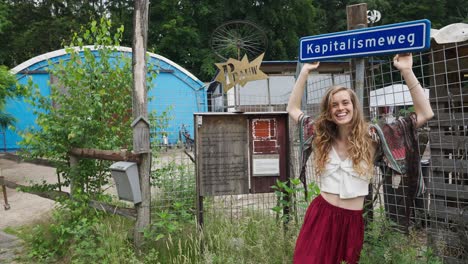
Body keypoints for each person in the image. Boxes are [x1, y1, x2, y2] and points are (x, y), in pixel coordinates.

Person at [287, 53, 434, 264]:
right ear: (328, 111)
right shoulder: (321, 135)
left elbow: (425, 113)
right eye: (334, 105)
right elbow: (292, 109)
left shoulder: (374, 137)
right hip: (321, 216)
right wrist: (304, 71)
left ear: (354, 106)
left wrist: (407, 71)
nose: (340, 108)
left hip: (351, 222)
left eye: (345, 102)